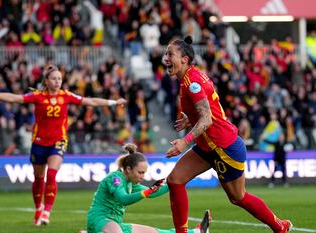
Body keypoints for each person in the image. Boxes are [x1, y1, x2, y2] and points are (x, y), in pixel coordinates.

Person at [164, 36, 292, 233]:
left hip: (224, 147)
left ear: (184, 59)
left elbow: (206, 119)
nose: (166, 58)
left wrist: (184, 140)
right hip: (208, 146)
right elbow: (211, 110)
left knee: (238, 197)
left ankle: (280, 227)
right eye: (166, 54)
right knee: (175, 180)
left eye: (170, 54)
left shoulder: (192, 83)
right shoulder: (188, 79)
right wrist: (190, 118)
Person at [0, 65, 127, 226]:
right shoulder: (37, 96)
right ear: (46, 80)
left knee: (51, 175)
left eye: (59, 78)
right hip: (38, 143)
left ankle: (46, 212)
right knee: (38, 178)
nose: (57, 81)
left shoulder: (66, 96)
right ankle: (38, 208)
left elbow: (90, 101)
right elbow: (15, 98)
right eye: (54, 78)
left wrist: (114, 102)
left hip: (58, 142)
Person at [85, 143, 211, 233]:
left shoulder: (130, 182)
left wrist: (177, 182)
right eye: (140, 172)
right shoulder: (115, 178)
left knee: (156, 232)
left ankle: (197, 231)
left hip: (114, 223)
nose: (143, 176)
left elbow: (152, 193)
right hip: (100, 220)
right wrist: (147, 192)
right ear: (128, 169)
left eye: (144, 173)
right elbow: (123, 198)